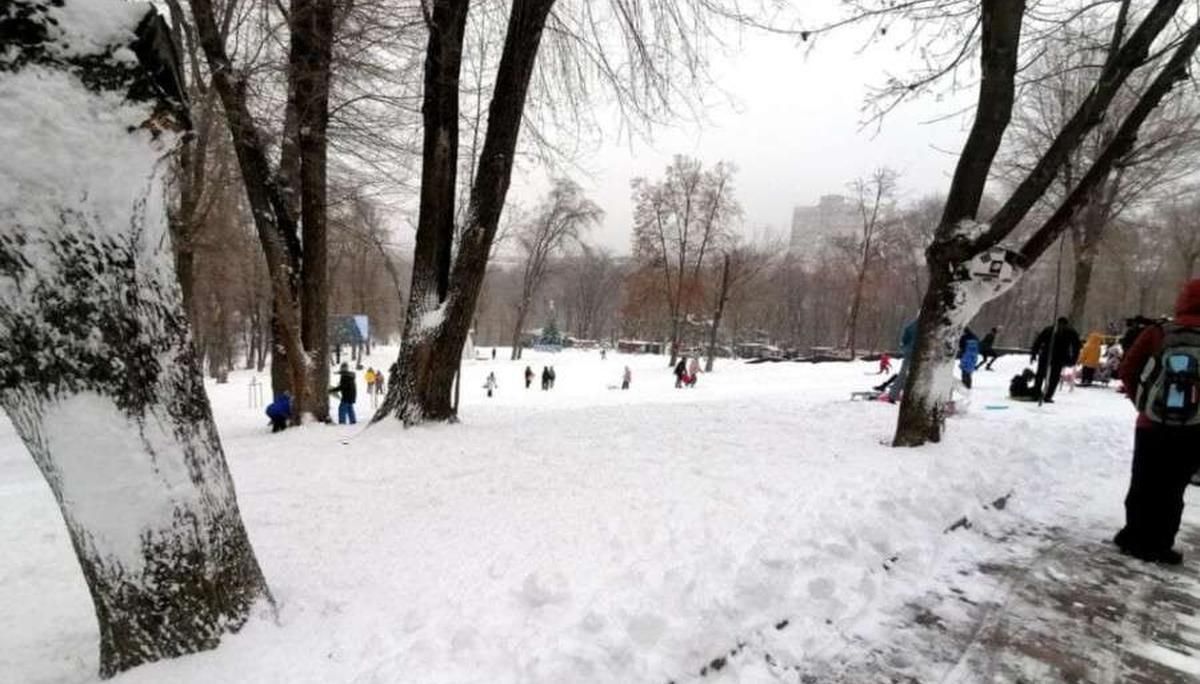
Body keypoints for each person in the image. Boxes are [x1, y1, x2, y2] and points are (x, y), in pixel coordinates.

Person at [1113, 279, 1200, 565]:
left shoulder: (1158, 331)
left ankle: (1133, 536)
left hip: (1151, 424)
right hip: (1193, 429)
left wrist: (1142, 403)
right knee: (1173, 487)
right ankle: (1161, 544)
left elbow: (1127, 368)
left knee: (1143, 480)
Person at [1030, 317, 1081, 404]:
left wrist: (1034, 353)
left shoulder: (1050, 329)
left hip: (1048, 355)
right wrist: (1073, 358)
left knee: (1042, 374)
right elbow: (1077, 346)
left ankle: (1038, 393)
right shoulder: (1069, 331)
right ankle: (1047, 395)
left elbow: (1038, 341)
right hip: (1057, 356)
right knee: (1052, 376)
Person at [886, 319, 918, 403]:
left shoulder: (912, 325)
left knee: (903, 375)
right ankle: (894, 395)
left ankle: (893, 395)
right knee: (905, 375)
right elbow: (905, 340)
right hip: (915, 354)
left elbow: (904, 340)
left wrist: (905, 348)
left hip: (910, 353)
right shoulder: (915, 326)